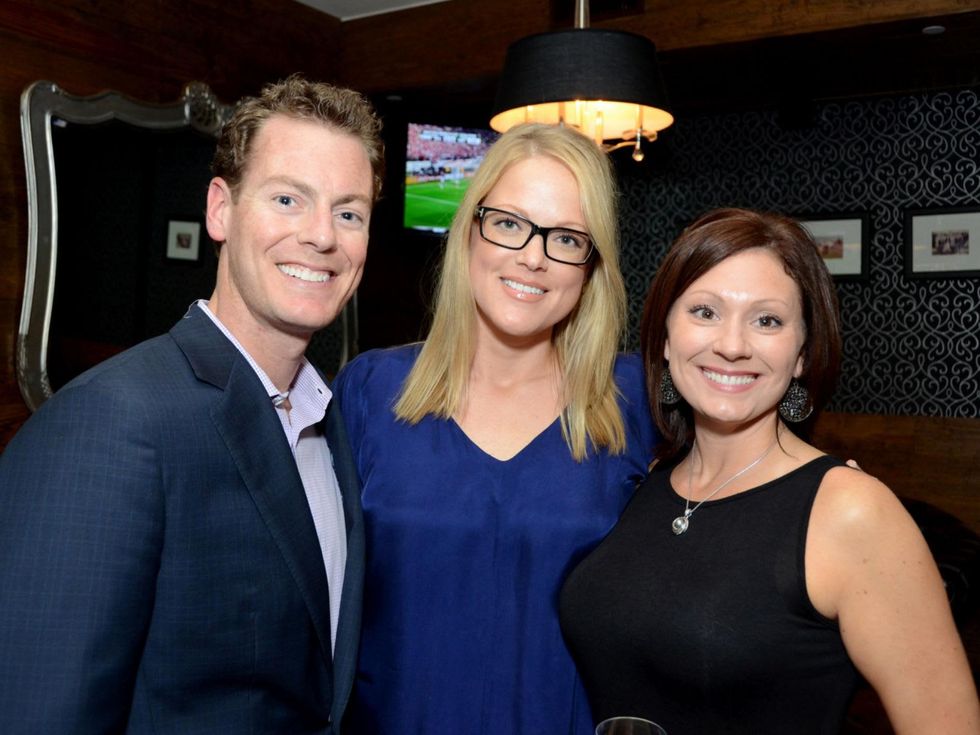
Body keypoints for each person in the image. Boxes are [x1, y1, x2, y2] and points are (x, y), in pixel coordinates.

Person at [0, 75, 384, 733]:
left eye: (348, 212)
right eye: (289, 198)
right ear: (220, 210)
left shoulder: (333, 417)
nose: (322, 236)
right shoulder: (110, 422)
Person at [559, 208, 980, 734]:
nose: (733, 346)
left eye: (767, 320)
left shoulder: (850, 511)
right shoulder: (643, 480)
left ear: (801, 353)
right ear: (665, 338)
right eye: (705, 312)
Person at [332, 123, 657, 733]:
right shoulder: (371, 391)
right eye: (509, 223)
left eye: (565, 238)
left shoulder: (636, 400)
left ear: (590, 266)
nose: (532, 256)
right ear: (470, 232)